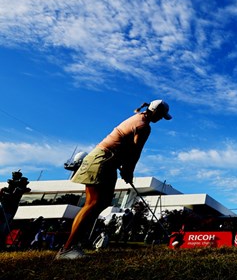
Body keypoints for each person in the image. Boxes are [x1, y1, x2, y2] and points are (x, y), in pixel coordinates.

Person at [55, 100, 172, 260]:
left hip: (104, 159)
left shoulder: (138, 117)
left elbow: (125, 147)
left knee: (100, 203)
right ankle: (67, 249)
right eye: (161, 116)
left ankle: (72, 246)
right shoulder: (144, 126)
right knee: (94, 204)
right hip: (102, 160)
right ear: (155, 112)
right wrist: (129, 171)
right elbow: (135, 152)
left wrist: (125, 168)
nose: (161, 119)